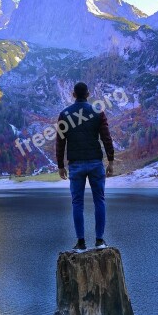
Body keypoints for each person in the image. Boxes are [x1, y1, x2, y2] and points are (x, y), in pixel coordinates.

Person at [56, 82, 114, 252]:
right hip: (96, 162)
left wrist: (60, 165)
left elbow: (60, 142)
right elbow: (106, 138)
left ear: (73, 94)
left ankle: (81, 243)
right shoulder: (97, 111)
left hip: (75, 164)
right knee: (99, 200)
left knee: (77, 203)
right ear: (88, 94)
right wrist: (110, 160)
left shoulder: (64, 114)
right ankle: (100, 241)